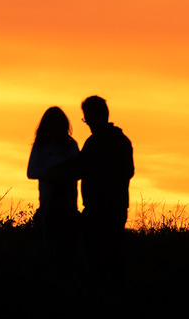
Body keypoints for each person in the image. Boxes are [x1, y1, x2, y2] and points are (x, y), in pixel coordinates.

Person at [78, 95, 133, 269]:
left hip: (97, 210)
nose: (87, 123)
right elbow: (129, 172)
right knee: (115, 256)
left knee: (96, 259)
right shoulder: (123, 141)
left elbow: (79, 169)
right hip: (118, 208)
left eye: (86, 118)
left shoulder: (94, 142)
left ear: (93, 118)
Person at [26, 106, 80, 263]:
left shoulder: (71, 145)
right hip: (48, 205)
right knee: (50, 250)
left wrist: (64, 173)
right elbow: (31, 172)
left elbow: (78, 171)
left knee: (68, 250)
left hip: (68, 205)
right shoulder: (40, 146)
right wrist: (50, 174)